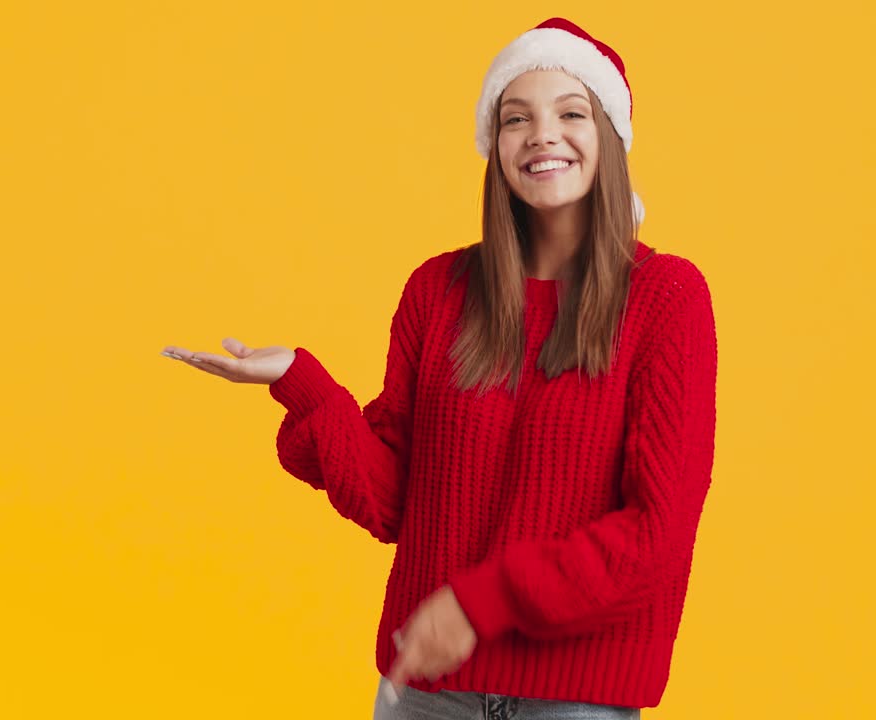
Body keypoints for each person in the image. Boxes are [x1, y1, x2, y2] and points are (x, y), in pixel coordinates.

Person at [162, 16, 717, 719]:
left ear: (608, 133)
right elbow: (398, 500)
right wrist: (299, 383)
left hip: (574, 703)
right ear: (496, 145)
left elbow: (655, 535)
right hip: (424, 696)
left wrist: (482, 601)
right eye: (517, 118)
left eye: (570, 112)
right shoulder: (439, 291)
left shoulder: (667, 298)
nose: (543, 134)